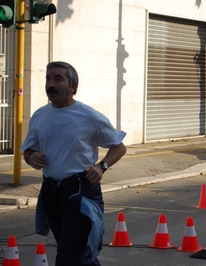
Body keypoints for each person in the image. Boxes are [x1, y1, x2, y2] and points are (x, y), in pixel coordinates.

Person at [21, 61, 127, 265]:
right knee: (76, 252)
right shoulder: (40, 116)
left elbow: (119, 147)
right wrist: (31, 157)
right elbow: (28, 151)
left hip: (81, 192)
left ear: (73, 86)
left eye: (58, 79)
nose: (51, 84)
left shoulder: (89, 116)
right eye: (48, 79)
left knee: (69, 255)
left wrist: (101, 166)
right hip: (52, 192)